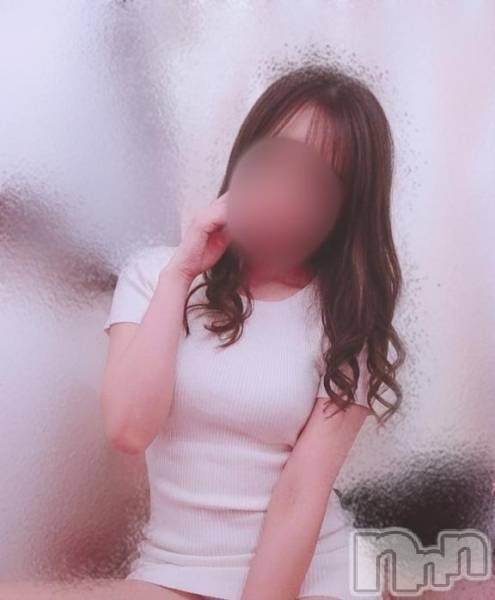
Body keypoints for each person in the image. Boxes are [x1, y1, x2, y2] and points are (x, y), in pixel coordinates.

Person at [2, 64, 404, 600]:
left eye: (317, 185)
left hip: (305, 576)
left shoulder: (347, 321)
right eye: (275, 162)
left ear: (345, 210)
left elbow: (300, 498)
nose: (285, 194)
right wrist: (183, 271)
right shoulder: (155, 275)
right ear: (245, 157)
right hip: (176, 571)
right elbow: (129, 429)